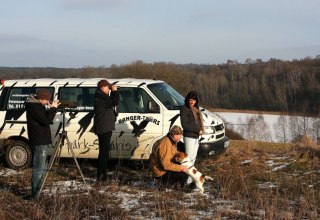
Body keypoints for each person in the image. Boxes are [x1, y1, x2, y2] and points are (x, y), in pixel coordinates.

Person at [25, 88, 60, 198]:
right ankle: (36, 195)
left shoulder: (36, 106)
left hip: (40, 139)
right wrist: (53, 109)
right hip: (40, 140)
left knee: (41, 168)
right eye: (47, 100)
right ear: (41, 99)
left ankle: (37, 192)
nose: (48, 102)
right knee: (39, 168)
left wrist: (49, 109)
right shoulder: (35, 107)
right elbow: (45, 121)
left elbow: (44, 118)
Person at [94, 79, 120, 181]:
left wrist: (113, 91)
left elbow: (112, 102)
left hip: (105, 127)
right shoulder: (100, 97)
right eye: (107, 87)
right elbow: (115, 102)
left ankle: (102, 175)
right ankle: (101, 177)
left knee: (104, 152)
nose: (109, 88)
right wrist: (114, 91)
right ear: (102, 88)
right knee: (103, 153)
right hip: (103, 128)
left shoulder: (102, 96)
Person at [180, 91, 204, 167]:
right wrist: (198, 130)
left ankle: (189, 179)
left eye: (194, 100)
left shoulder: (196, 109)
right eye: (190, 100)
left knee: (193, 160)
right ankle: (185, 178)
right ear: (187, 99)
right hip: (189, 136)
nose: (192, 102)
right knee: (188, 159)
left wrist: (201, 129)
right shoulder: (184, 108)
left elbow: (198, 122)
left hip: (196, 136)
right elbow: (185, 125)